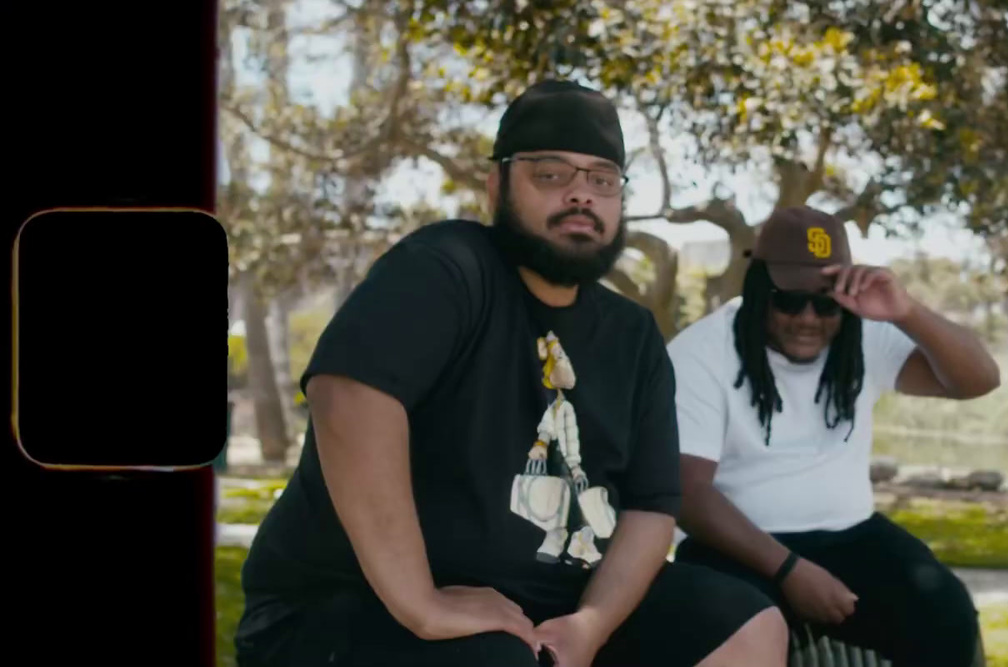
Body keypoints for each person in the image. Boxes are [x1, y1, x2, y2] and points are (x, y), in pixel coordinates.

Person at [233, 80, 787, 667]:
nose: (582, 195)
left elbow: (651, 508)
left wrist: (589, 627)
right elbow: (348, 397)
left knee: (747, 624)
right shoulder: (447, 266)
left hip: (554, 606)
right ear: (497, 185)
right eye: (551, 174)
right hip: (351, 608)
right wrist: (421, 603)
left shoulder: (633, 333)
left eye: (601, 179)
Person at [667, 205, 1003, 667]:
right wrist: (790, 571)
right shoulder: (700, 352)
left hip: (852, 537)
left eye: (826, 302)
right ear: (759, 288)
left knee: (945, 611)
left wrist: (905, 312)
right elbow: (688, 493)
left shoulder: (862, 334)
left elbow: (978, 380)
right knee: (737, 626)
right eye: (789, 300)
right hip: (733, 545)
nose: (808, 318)